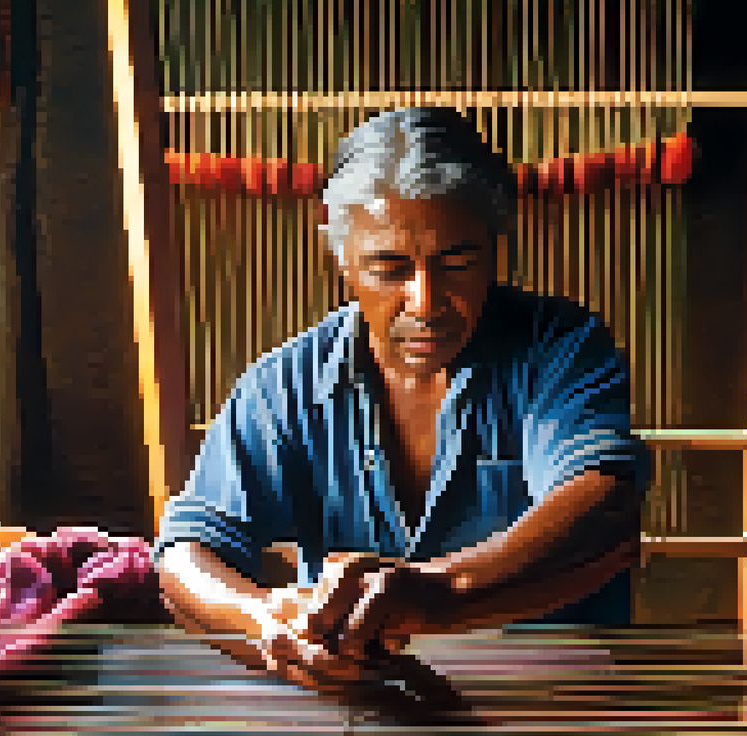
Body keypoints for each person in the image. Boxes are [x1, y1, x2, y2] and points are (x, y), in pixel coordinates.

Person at [153, 107, 649, 697]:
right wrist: (263, 620)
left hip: (548, 702)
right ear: (342, 260)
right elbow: (186, 554)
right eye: (389, 269)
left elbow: (603, 507)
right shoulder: (284, 387)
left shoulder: (559, 349)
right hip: (358, 708)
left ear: (495, 249)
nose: (425, 300)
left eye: (457, 262)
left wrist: (436, 591)